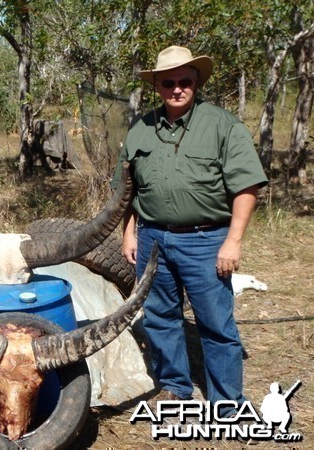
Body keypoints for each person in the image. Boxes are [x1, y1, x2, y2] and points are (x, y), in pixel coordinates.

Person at [111, 45, 268, 418]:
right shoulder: (141, 129)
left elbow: (247, 187)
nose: (177, 89)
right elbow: (126, 190)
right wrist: (129, 232)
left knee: (215, 322)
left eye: (185, 81)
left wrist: (233, 240)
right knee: (160, 316)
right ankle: (174, 388)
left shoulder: (222, 125)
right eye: (169, 82)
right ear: (158, 86)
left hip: (206, 239)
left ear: (196, 83)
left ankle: (226, 402)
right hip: (151, 238)